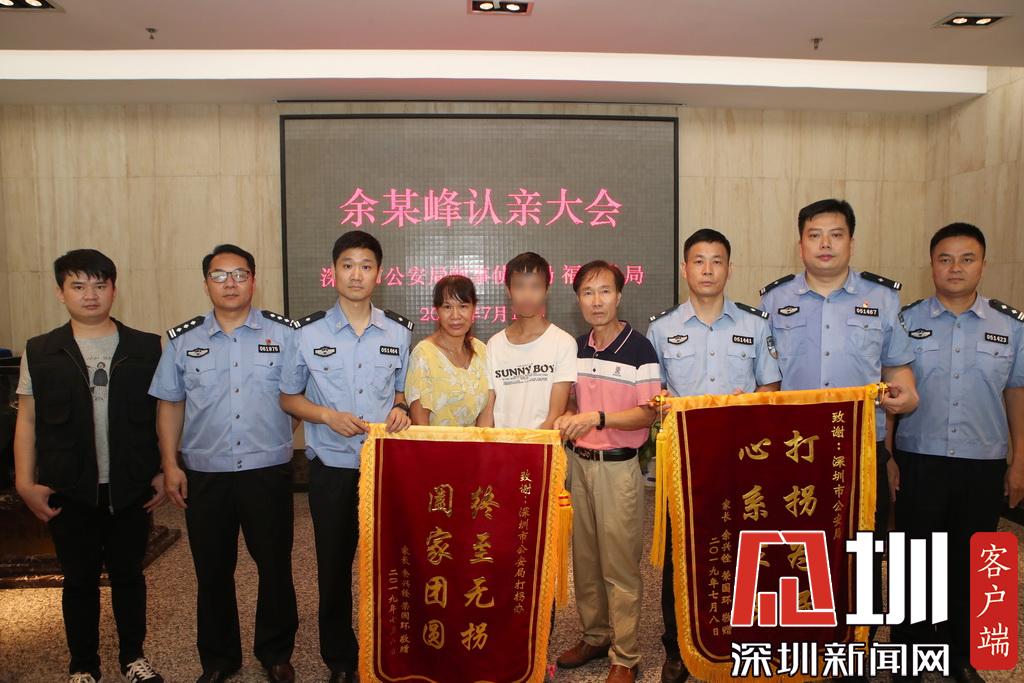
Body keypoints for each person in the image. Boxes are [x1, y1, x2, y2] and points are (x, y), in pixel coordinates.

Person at [759, 198, 919, 653]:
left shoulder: (882, 299)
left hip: (862, 450)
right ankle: (802, 641)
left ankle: (857, 647)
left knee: (864, 550)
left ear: (851, 241)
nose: (825, 244)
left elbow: (898, 369)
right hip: (796, 452)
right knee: (798, 549)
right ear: (800, 244)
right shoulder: (773, 301)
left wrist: (906, 395)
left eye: (836, 234)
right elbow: (764, 379)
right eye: (815, 235)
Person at [149, 244, 299, 683]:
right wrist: (170, 464)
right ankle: (219, 660)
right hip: (206, 473)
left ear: (254, 280)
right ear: (206, 284)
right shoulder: (183, 341)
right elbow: (170, 405)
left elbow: (296, 401)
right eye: (220, 275)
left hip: (267, 471)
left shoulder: (284, 335)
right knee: (212, 570)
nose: (230, 283)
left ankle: (275, 652)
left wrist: (271, 439)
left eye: (239, 274)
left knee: (275, 566)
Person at [13, 249, 165, 683]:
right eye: (78, 286)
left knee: (129, 576)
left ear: (114, 289)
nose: (90, 295)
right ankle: (83, 665)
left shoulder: (146, 347)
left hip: (129, 485)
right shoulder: (41, 350)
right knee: (78, 580)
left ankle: (133, 658)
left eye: (100, 285)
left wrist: (164, 468)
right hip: (69, 487)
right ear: (60, 292)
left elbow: (164, 414)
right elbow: (28, 420)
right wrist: (24, 482)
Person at [891, 223, 1024, 683]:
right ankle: (909, 652)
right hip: (919, 458)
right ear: (931, 265)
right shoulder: (905, 322)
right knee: (914, 560)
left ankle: (962, 655)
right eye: (945, 259)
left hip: (982, 463)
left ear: (983, 265)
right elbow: (891, 395)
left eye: (967, 259)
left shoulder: (1010, 326)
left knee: (974, 563)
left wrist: (1019, 463)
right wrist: (889, 458)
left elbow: (1016, 395)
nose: (955, 268)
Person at [647, 229, 781, 682]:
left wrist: (750, 404)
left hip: (742, 462)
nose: (707, 270)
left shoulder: (755, 325)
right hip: (683, 463)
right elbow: (653, 396)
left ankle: (738, 639)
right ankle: (677, 648)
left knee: (742, 550)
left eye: (717, 261)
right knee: (680, 554)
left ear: (729, 269)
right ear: (684, 269)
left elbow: (771, 388)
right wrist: (662, 403)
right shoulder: (661, 329)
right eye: (699, 261)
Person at [279, 230, 412, 683]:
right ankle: (340, 659)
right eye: (348, 265)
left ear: (380, 274)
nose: (357, 274)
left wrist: (400, 407)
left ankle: (389, 648)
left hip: (384, 470)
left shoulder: (398, 332)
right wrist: (326, 416)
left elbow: (402, 392)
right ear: (333, 271)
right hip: (332, 470)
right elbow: (288, 397)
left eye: (366, 266)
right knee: (333, 568)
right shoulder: (306, 333)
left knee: (391, 566)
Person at [553, 261, 661, 683]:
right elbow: (570, 401)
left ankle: (626, 655)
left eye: (604, 291)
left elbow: (647, 414)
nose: (596, 301)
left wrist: (597, 417)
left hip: (618, 469)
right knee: (585, 561)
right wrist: (568, 414)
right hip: (578, 467)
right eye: (587, 292)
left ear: (619, 296)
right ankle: (595, 636)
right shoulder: (576, 348)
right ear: (578, 299)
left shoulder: (640, 349)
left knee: (619, 567)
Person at [477, 252, 577, 429]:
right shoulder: (495, 344)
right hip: (502, 443)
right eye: (519, 286)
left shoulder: (563, 343)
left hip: (542, 443)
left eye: (535, 286)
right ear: (508, 290)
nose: (527, 294)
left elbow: (555, 414)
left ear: (546, 291)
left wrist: (529, 444)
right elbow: (488, 409)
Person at [405, 275, 489, 427]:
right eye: (447, 307)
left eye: (463, 306)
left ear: (474, 309)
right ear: (437, 311)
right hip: (434, 442)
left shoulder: (481, 350)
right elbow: (420, 424)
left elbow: (487, 411)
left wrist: (481, 442)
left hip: (478, 442)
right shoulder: (424, 355)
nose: (455, 316)